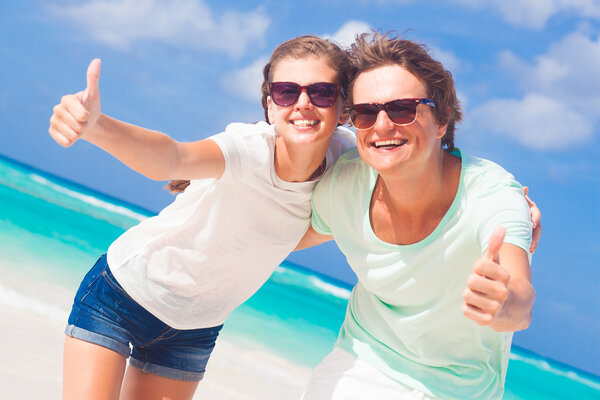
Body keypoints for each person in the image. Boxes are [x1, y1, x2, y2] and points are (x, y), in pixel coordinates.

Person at [48, 36, 356, 400]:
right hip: (122, 295)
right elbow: (171, 157)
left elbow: (313, 229)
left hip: (195, 330)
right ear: (270, 107)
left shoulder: (347, 162)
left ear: (343, 108)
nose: (303, 103)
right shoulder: (251, 148)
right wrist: (98, 127)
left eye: (321, 92)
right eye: (287, 92)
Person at [299, 32, 538, 400]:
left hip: (458, 390)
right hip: (359, 366)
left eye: (402, 109)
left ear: (442, 119)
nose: (381, 126)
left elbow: (520, 299)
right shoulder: (344, 184)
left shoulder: (491, 195)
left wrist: (502, 302)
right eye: (365, 113)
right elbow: (280, 238)